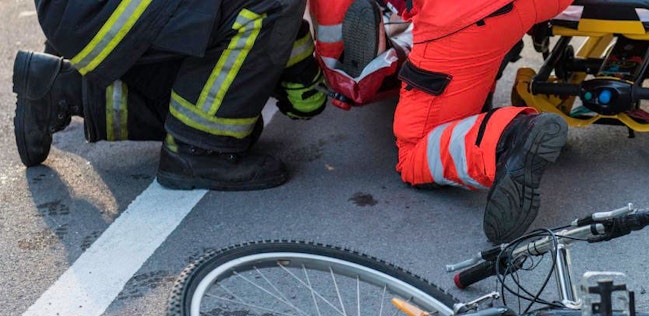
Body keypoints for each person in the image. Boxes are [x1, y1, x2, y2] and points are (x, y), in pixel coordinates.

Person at [325, 0, 574, 243]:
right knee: (469, 38)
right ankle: (473, 86)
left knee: (413, 156)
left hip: (464, 15)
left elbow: (334, 19)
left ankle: (510, 136)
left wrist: (346, 84)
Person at [13, 0, 327, 191]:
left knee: (232, 107)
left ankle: (64, 90)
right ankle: (198, 153)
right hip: (105, 15)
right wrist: (303, 76)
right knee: (273, 4)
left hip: (78, 14)